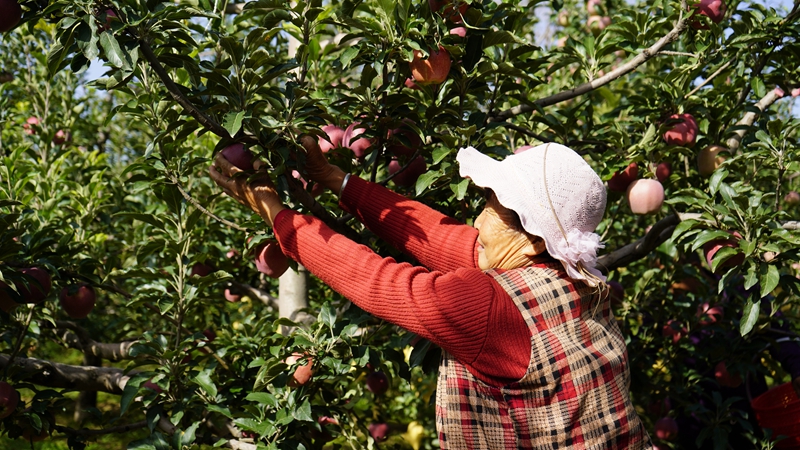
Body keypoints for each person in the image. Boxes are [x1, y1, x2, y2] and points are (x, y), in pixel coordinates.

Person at [209, 136, 652, 448]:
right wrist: (334, 179)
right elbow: (436, 236)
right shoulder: (577, 279)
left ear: (534, 237)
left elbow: (372, 278)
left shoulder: (487, 307)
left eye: (491, 207)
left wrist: (275, 212)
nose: (477, 220)